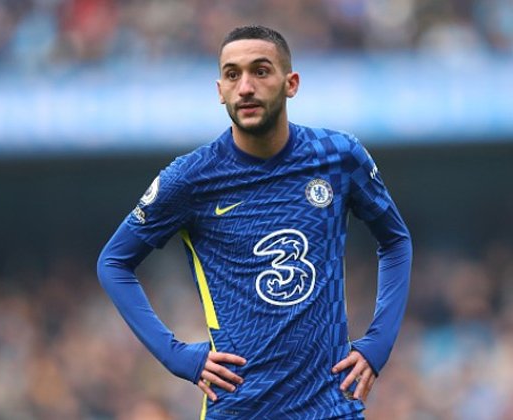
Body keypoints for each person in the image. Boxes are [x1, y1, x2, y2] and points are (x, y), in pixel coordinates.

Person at [97, 25, 412, 419]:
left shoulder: (338, 157)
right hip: (239, 407)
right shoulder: (191, 178)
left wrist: (378, 343)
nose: (245, 87)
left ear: (291, 83)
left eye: (260, 71)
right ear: (220, 91)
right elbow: (113, 262)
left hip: (331, 406)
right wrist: (176, 355)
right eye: (232, 75)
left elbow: (395, 241)